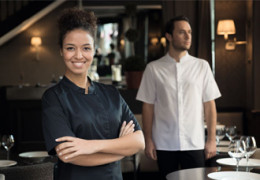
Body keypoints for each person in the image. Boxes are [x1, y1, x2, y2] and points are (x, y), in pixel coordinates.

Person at [41, 8, 144, 180]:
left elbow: (139, 141)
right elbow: (68, 155)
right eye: (70, 48)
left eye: (86, 48)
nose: (79, 55)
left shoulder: (111, 93)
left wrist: (89, 146)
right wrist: (120, 150)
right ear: (61, 50)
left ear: (95, 50)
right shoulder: (53, 98)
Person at [136, 15, 221, 179]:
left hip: (194, 142)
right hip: (164, 143)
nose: (188, 36)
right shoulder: (153, 69)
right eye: (182, 32)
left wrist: (211, 140)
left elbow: (210, 106)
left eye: (189, 32)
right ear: (169, 36)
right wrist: (148, 140)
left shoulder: (202, 66)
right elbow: (148, 107)